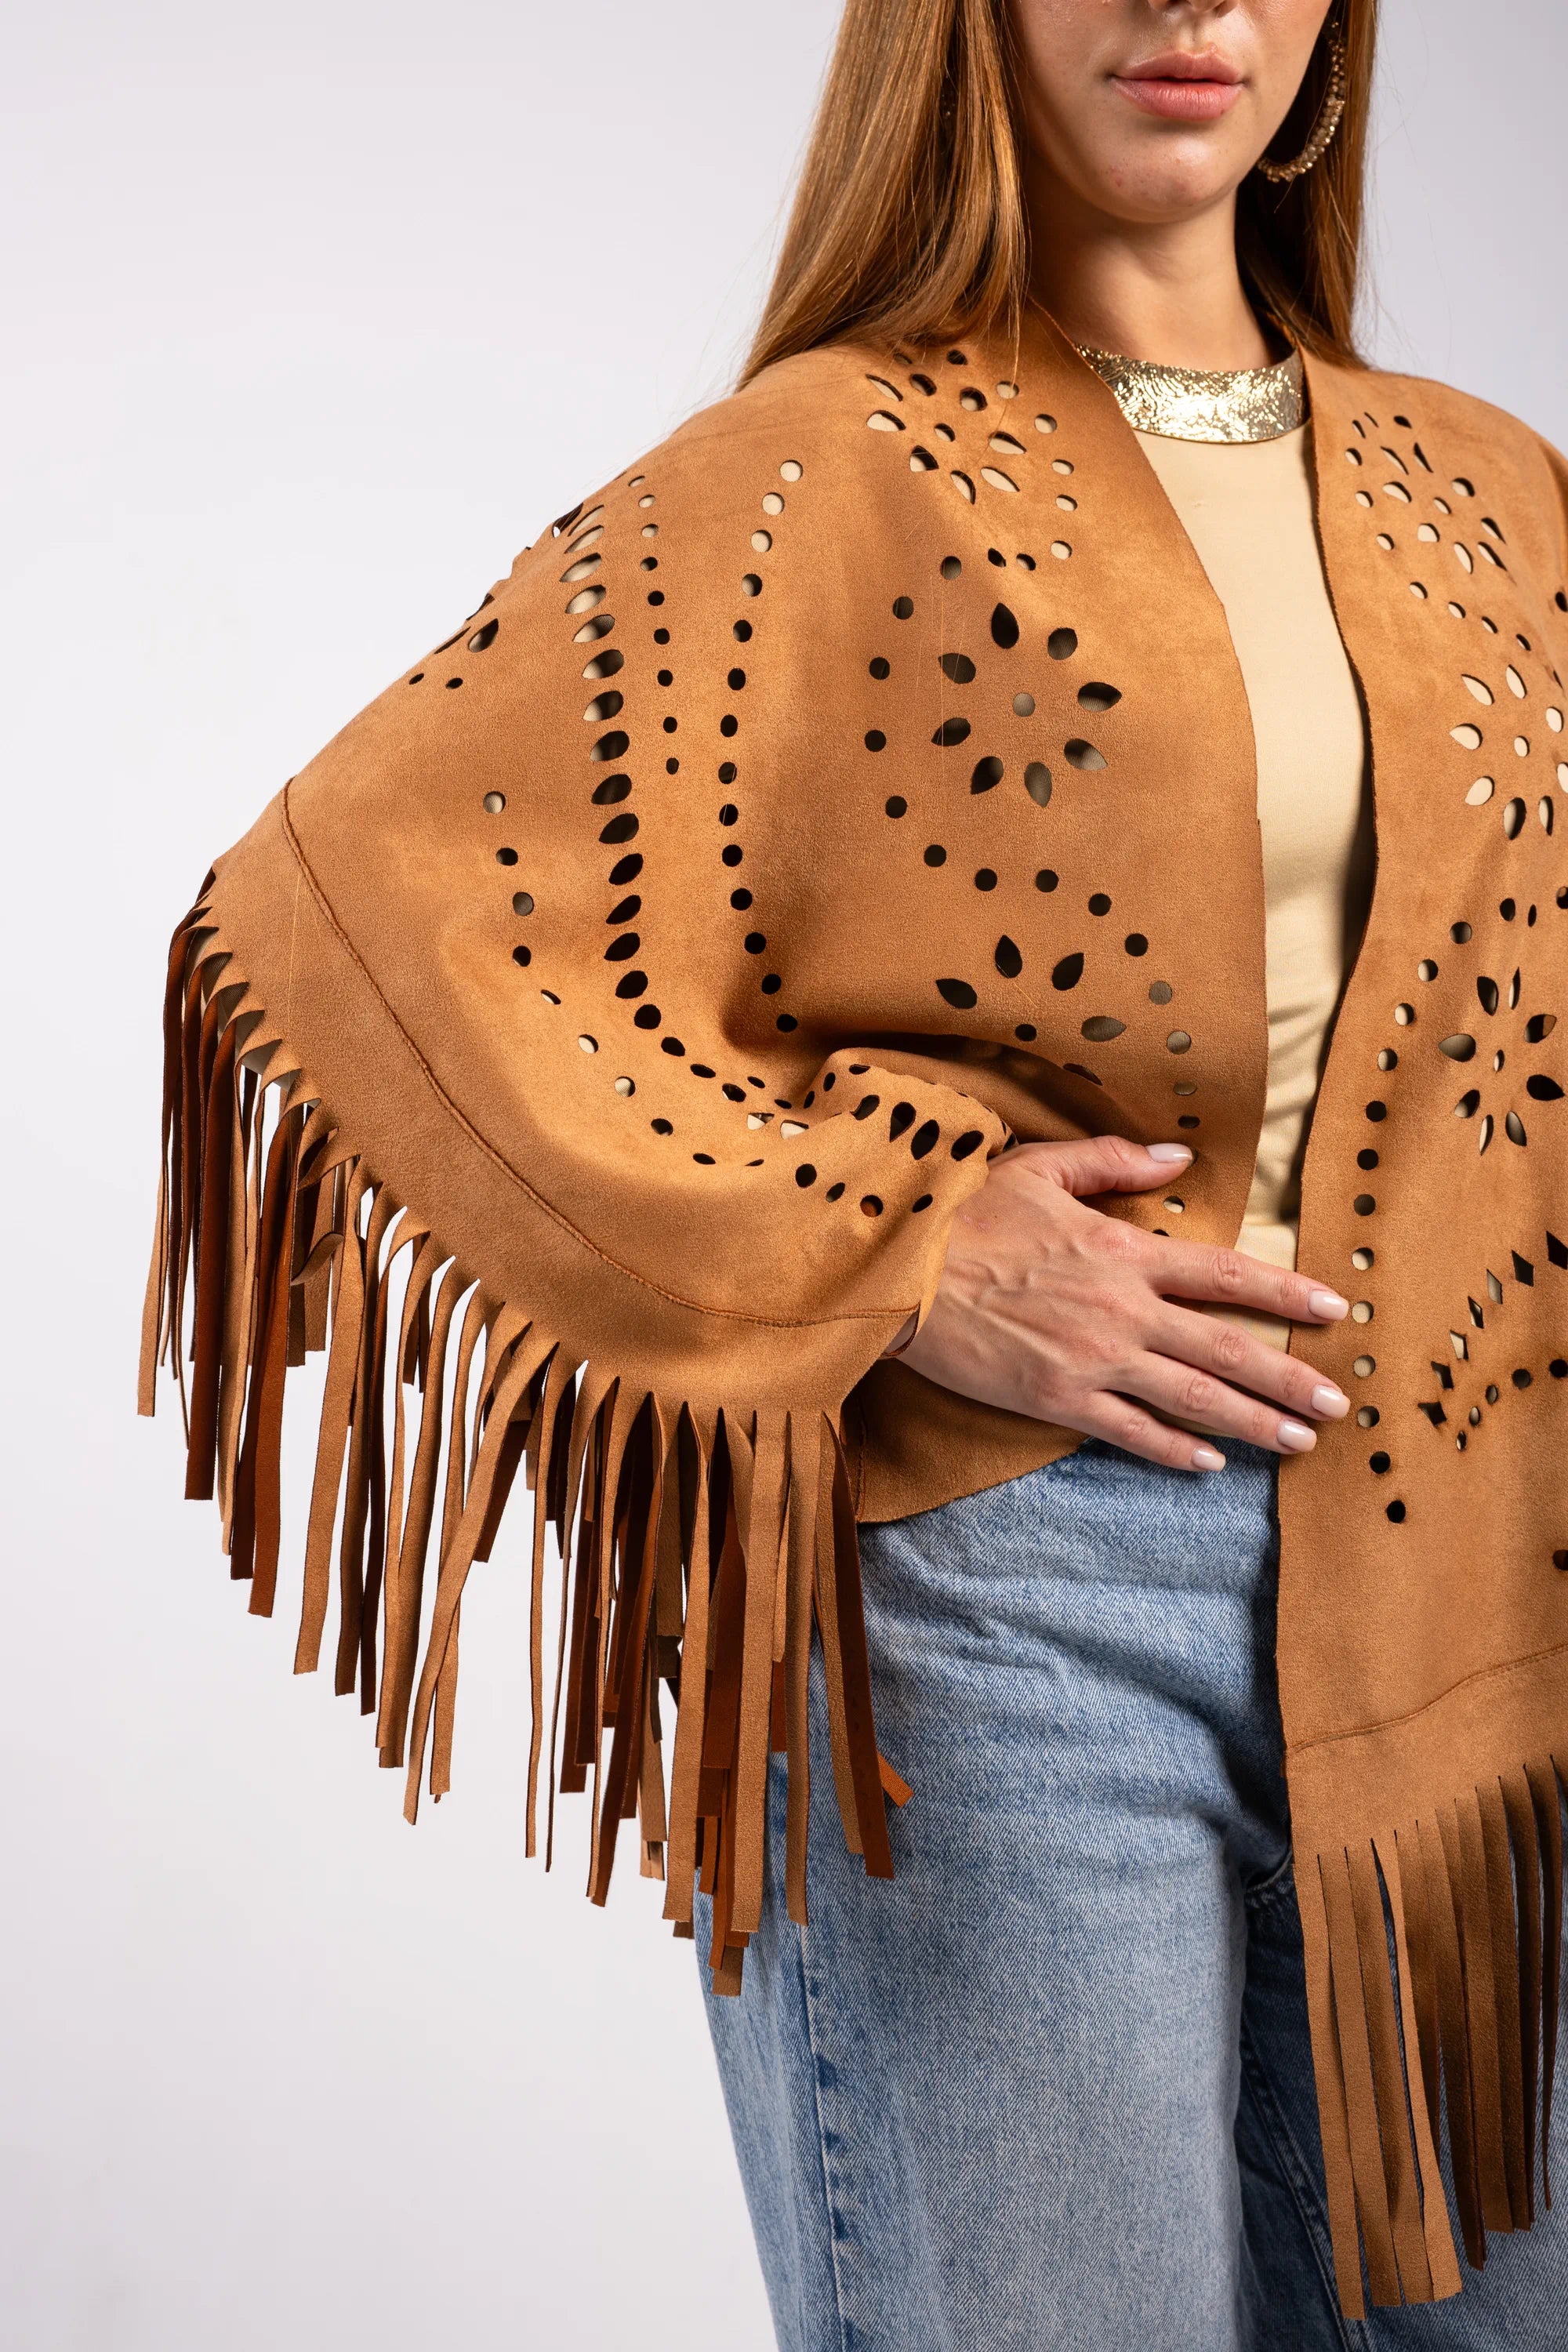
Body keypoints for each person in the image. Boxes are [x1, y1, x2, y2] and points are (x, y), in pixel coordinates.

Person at [140, 1, 1568, 2343]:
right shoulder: (831, 463)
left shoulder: (1496, 490)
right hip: (1006, 1603)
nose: (1192, 5)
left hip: (1466, 1595)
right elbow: (370, 900)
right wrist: (900, 1245)